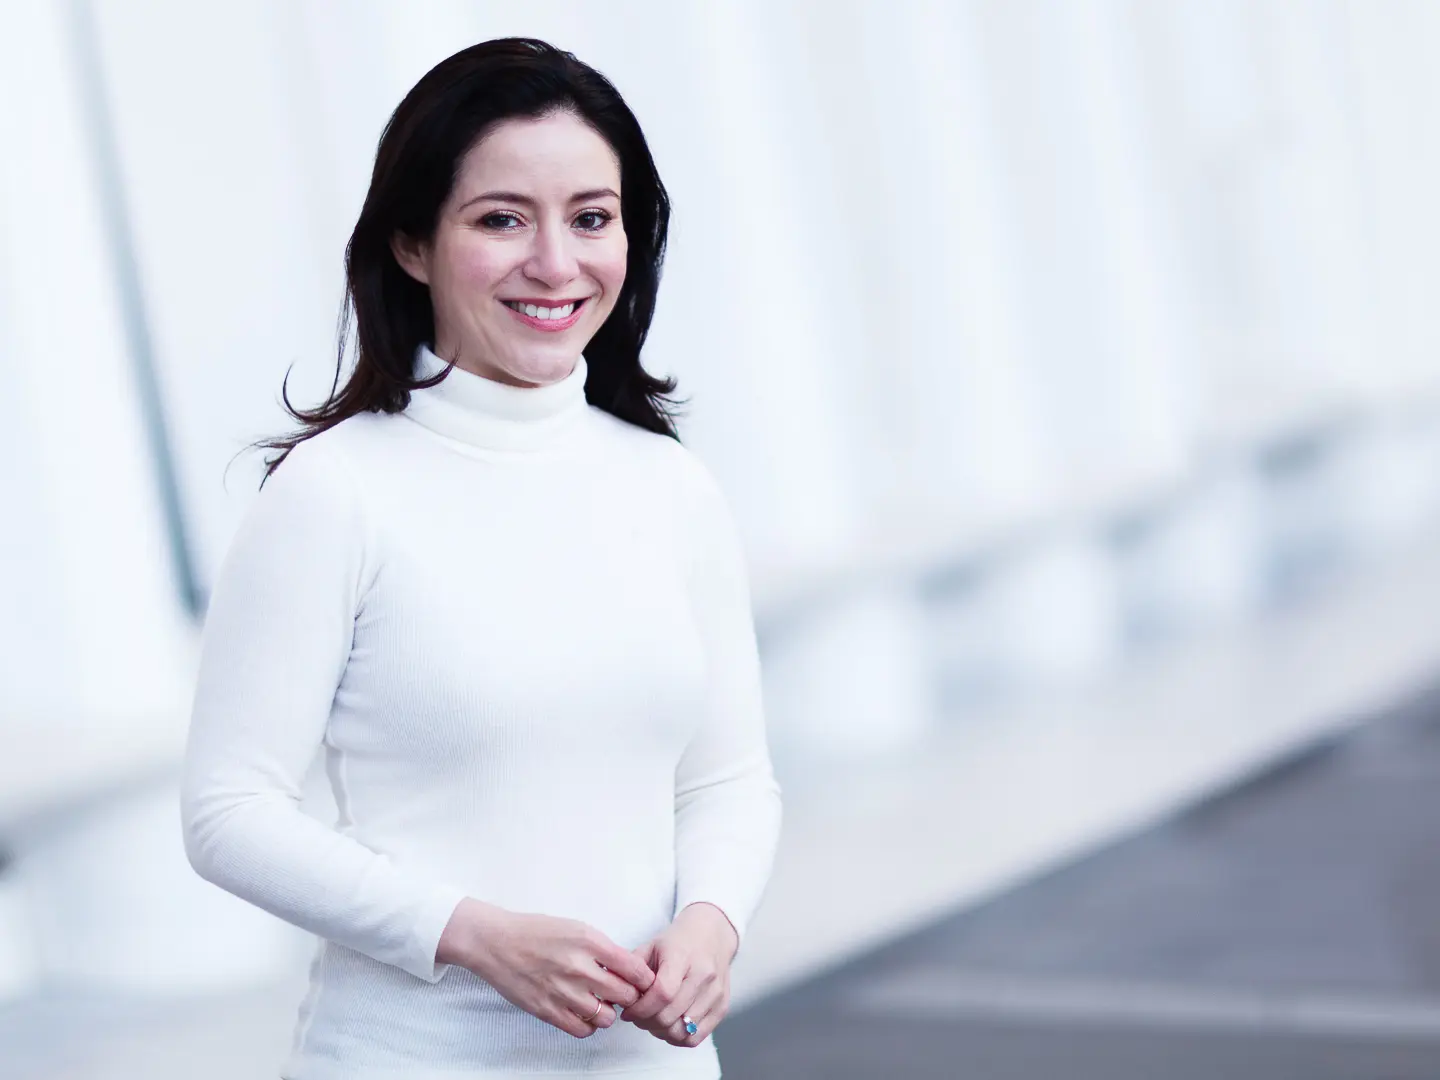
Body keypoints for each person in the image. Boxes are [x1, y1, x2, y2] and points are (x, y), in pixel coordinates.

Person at [180, 37, 782, 1080]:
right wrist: (469, 932)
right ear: (413, 244)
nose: (557, 263)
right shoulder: (336, 492)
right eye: (502, 218)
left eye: (592, 218)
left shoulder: (669, 484)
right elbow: (229, 812)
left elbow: (729, 779)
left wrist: (713, 925)